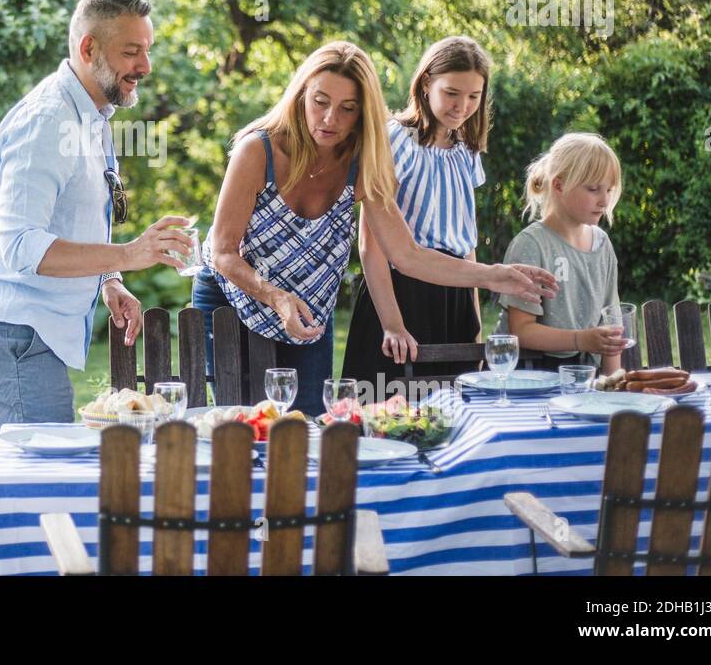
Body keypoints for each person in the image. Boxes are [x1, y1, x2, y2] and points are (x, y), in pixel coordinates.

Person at [0, 0, 193, 571]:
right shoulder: (46, 121)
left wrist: (110, 279)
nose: (145, 66)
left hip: (26, 333)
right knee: (39, 491)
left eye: (147, 50)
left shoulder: (93, 114)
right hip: (12, 333)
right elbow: (21, 246)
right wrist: (131, 253)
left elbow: (75, 217)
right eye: (132, 51)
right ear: (90, 48)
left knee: (3, 476)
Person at [192, 40, 558, 414]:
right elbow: (223, 252)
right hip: (233, 295)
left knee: (309, 423)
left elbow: (407, 254)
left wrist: (494, 275)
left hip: (309, 303)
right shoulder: (258, 150)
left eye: (347, 109)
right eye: (320, 101)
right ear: (301, 94)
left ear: (363, 113)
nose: (330, 119)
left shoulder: (362, 160)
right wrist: (277, 297)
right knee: (242, 424)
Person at [342, 36, 492, 392]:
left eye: (474, 96)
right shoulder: (395, 140)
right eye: (452, 92)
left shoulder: (466, 153)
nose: (462, 105)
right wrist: (393, 323)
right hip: (400, 293)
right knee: (386, 410)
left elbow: (466, 243)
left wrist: (476, 326)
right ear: (426, 84)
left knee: (451, 416)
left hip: (454, 297)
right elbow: (371, 245)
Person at [497, 132, 627, 374]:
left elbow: (612, 321)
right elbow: (521, 330)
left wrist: (614, 385)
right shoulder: (531, 245)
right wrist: (581, 340)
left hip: (585, 378)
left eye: (609, 190)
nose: (604, 200)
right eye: (593, 189)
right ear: (559, 185)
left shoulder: (602, 244)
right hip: (530, 376)